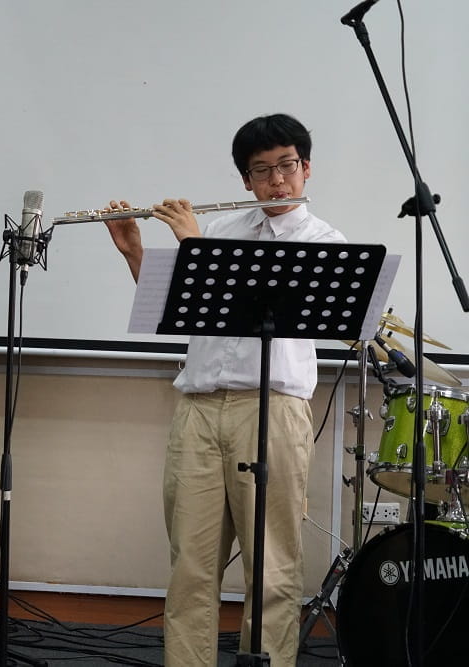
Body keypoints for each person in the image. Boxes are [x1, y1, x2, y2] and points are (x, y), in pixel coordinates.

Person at [104, 114, 346, 667]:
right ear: (246, 181)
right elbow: (176, 312)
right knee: (190, 562)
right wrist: (134, 251)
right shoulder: (223, 232)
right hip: (198, 408)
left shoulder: (324, 241)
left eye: (286, 166)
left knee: (273, 564)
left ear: (306, 169)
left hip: (274, 409)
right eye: (261, 172)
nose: (276, 181)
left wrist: (193, 243)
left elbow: (266, 309)